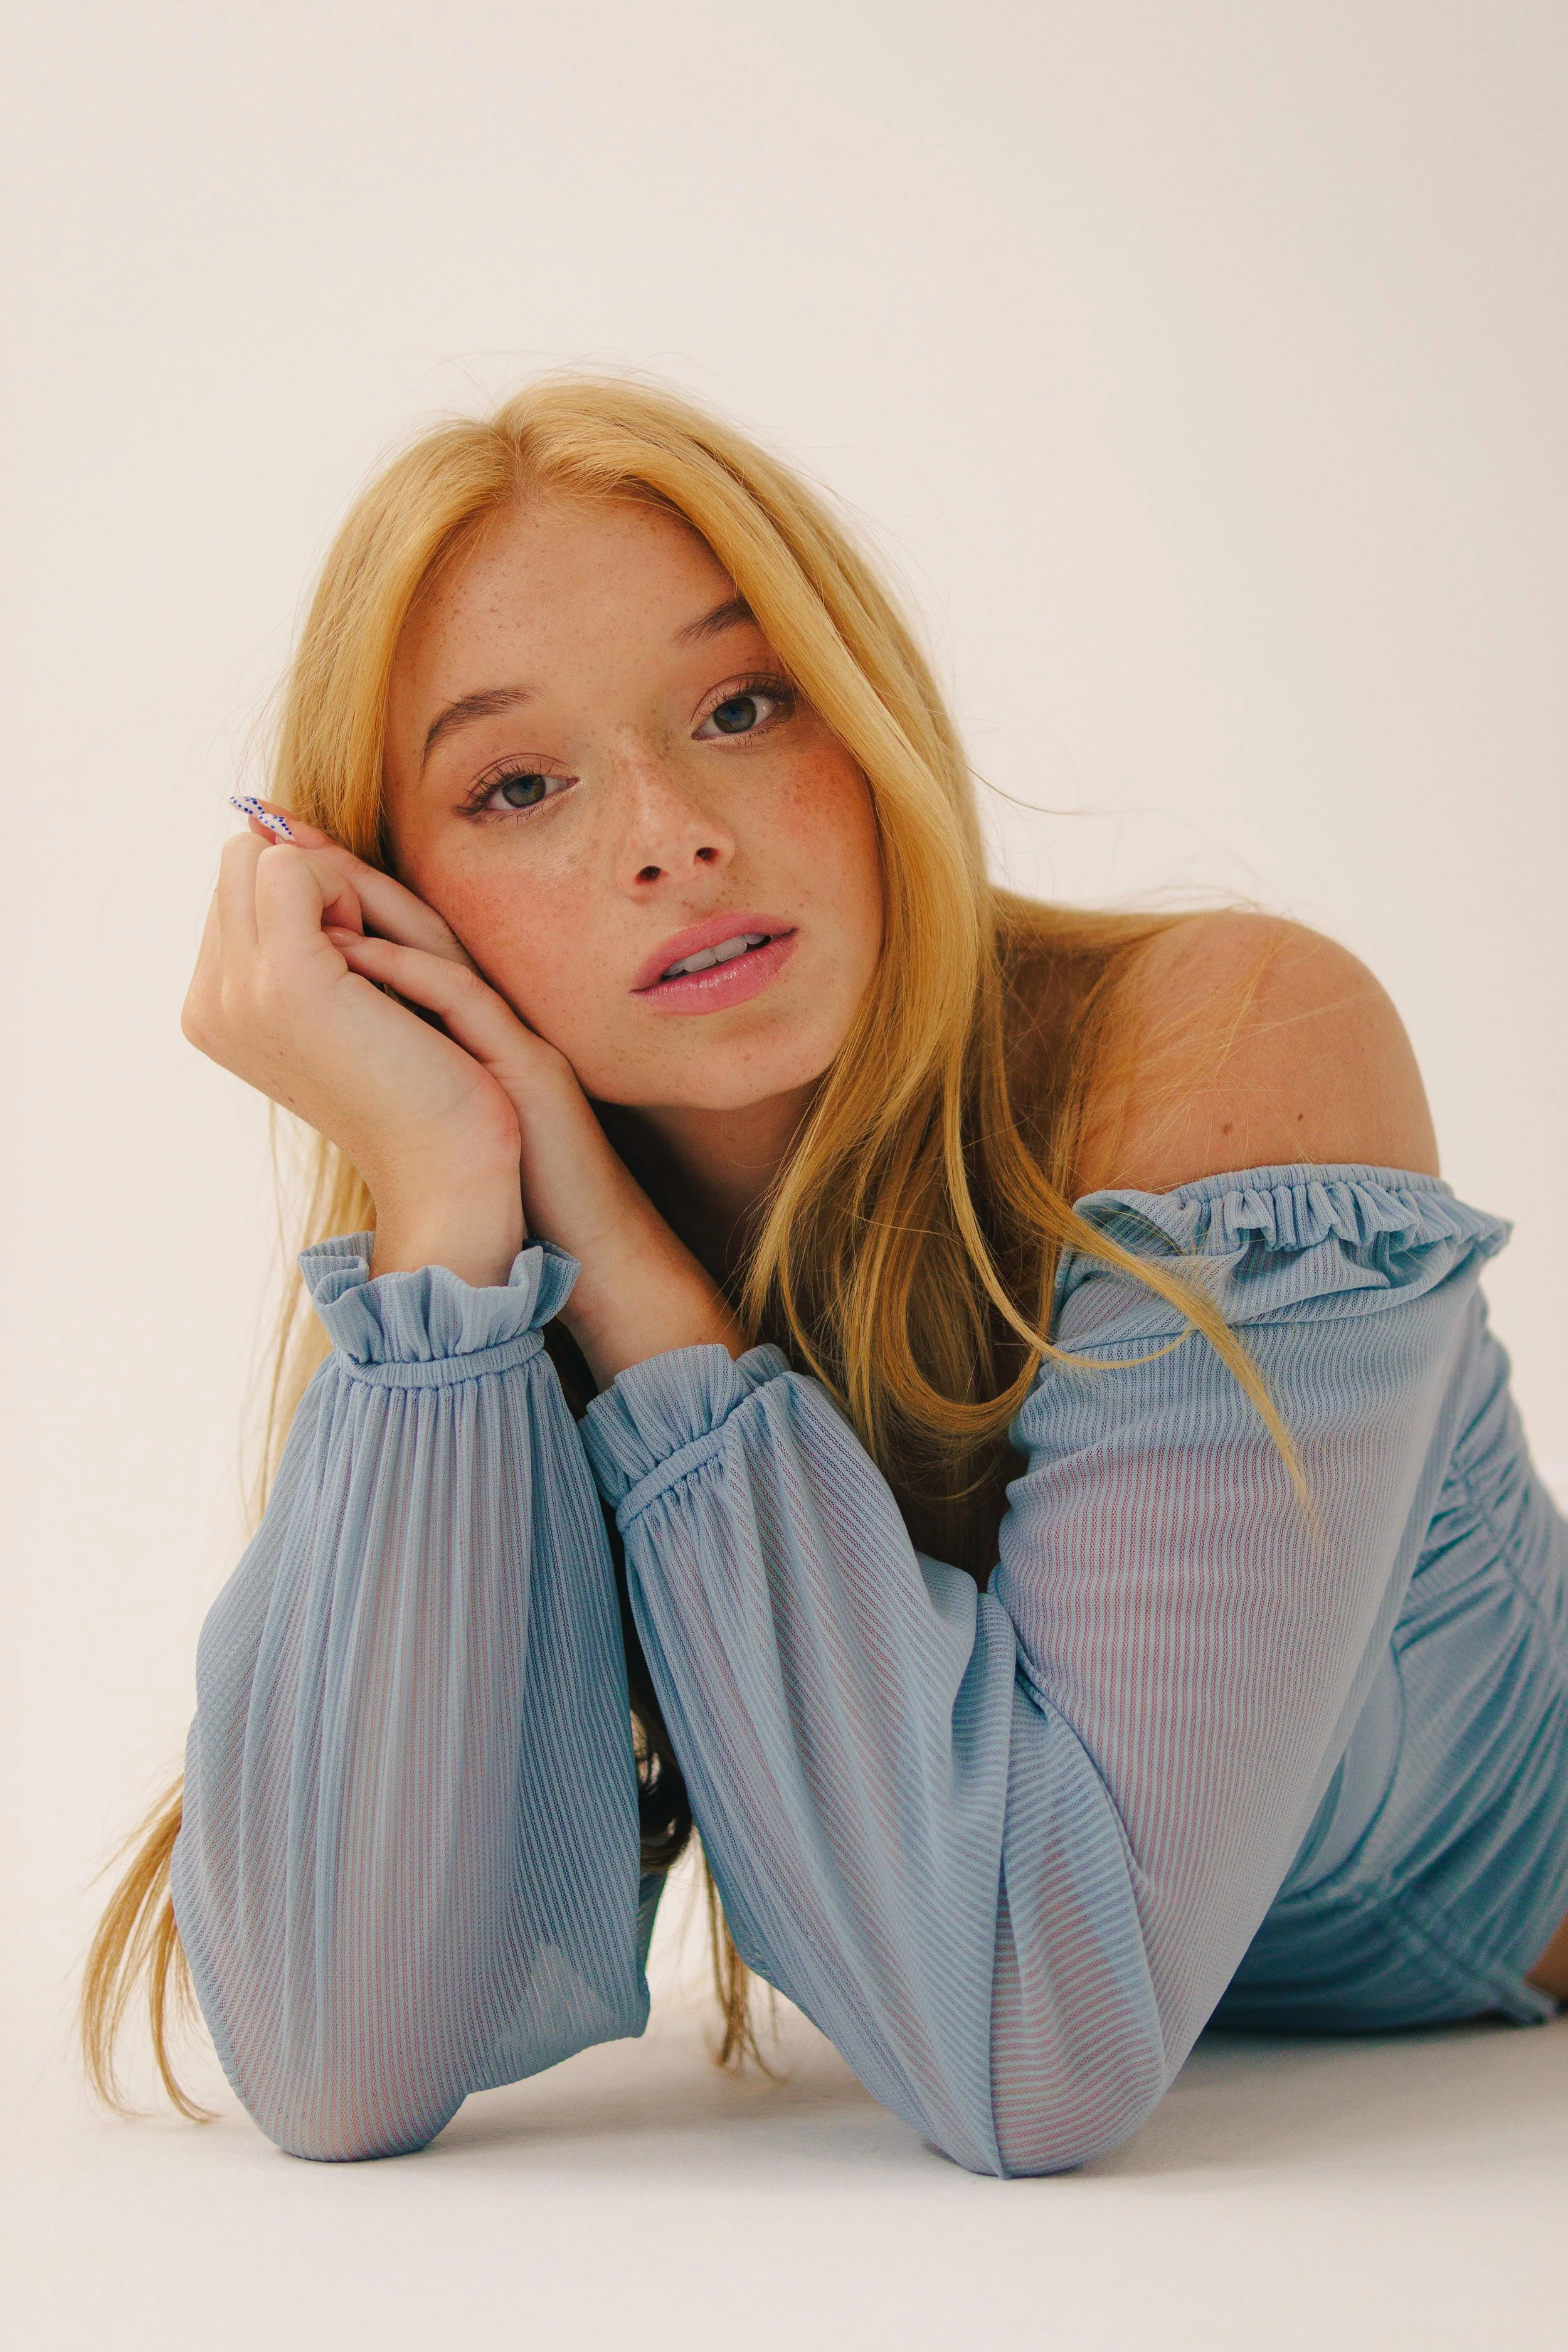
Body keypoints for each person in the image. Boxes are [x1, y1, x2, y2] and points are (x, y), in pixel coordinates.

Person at [82, 378, 1568, 2177]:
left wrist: (641, 1296)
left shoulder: (1228, 1049)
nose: (666, 832)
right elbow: (340, 2058)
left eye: (738, 702)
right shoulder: (508, 1265)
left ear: (864, 721)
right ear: (393, 912)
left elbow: (1040, 2033)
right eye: (519, 784)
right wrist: (448, 1196)